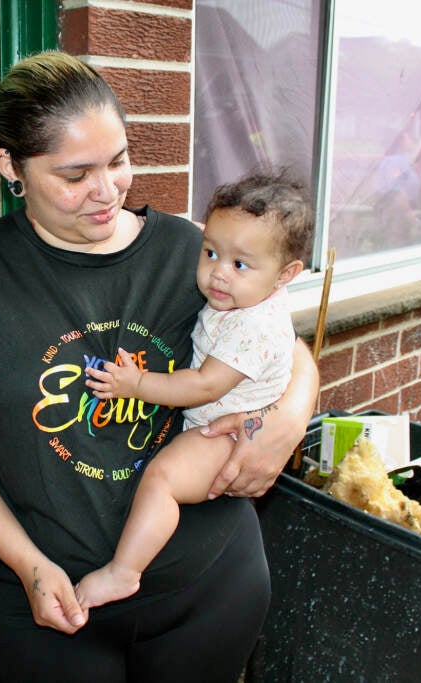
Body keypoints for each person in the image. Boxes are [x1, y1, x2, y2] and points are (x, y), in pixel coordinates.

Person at [0, 50, 319, 683]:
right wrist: (28, 565)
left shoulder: (189, 251)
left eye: (117, 161)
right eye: (75, 173)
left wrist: (291, 414)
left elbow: (280, 342)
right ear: (10, 166)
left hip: (205, 580)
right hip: (48, 595)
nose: (106, 190)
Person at [74, 172, 313, 609]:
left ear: (287, 274)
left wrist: (136, 384)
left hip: (224, 437)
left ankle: (123, 572)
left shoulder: (254, 327)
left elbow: (204, 386)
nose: (218, 273)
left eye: (239, 264)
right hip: (222, 424)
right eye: (210, 253)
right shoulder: (250, 290)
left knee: (162, 480)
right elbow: (230, 241)